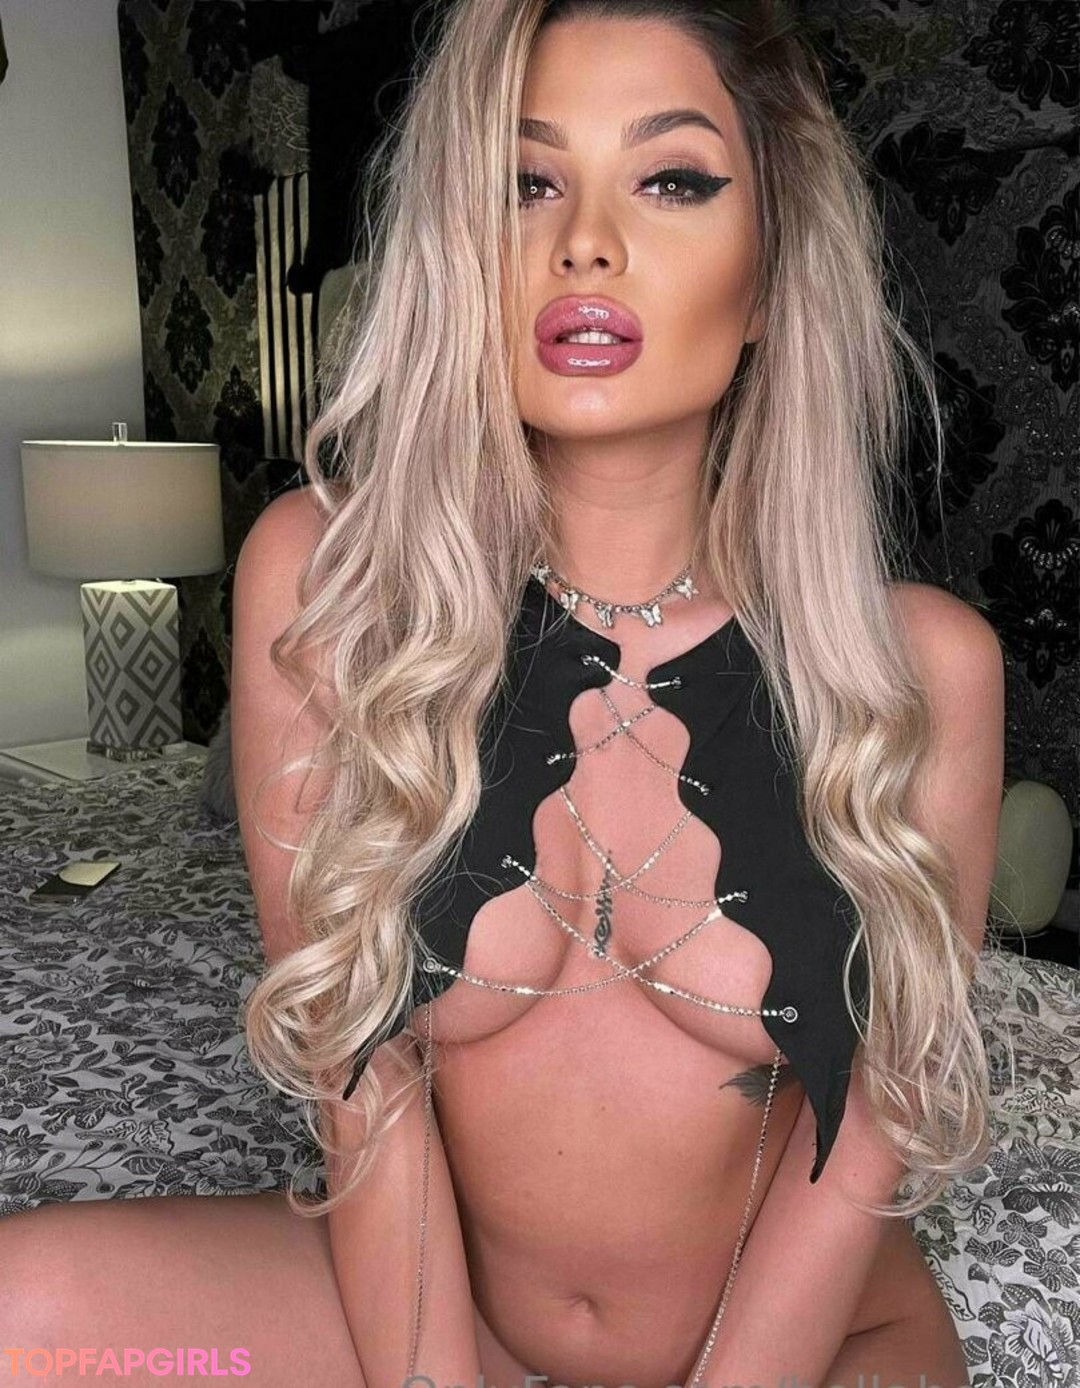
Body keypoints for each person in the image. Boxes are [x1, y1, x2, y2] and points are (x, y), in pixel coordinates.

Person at [4, 2, 1005, 1386]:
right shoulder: (336, 589)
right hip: (448, 1312)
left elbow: (872, 1138)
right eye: (525, 182)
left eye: (671, 180)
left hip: (810, 1347)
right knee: (23, 1317)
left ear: (773, 270)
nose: (584, 241)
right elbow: (361, 1074)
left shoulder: (911, 671)